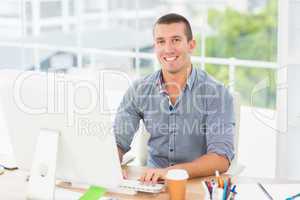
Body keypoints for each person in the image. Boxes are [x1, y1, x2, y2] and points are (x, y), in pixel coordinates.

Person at [113, 13, 235, 184]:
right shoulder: (139, 90)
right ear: (155, 46)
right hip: (152, 184)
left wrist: (170, 172)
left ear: (191, 45)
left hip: (197, 184)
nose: (168, 49)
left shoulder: (217, 93)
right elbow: (117, 142)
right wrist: (112, 164)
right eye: (161, 41)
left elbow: (221, 158)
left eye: (176, 40)